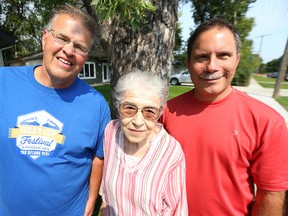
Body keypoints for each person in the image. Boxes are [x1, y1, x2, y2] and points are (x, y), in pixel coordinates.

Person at [161, 18, 288, 215]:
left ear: (237, 60)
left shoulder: (267, 122)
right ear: (188, 64)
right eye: (202, 57)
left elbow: (271, 193)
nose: (212, 66)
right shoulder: (165, 113)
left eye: (223, 55)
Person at [0, 4, 111, 216]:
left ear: (86, 56)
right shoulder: (3, 83)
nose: (69, 51)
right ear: (44, 38)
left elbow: (99, 156)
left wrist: (91, 201)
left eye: (80, 47)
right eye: (62, 38)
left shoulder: (96, 105)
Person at [100, 70, 188, 215]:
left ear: (159, 113)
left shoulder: (171, 152)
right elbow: (107, 195)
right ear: (118, 106)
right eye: (129, 108)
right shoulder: (111, 132)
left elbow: (177, 210)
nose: (138, 122)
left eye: (149, 112)